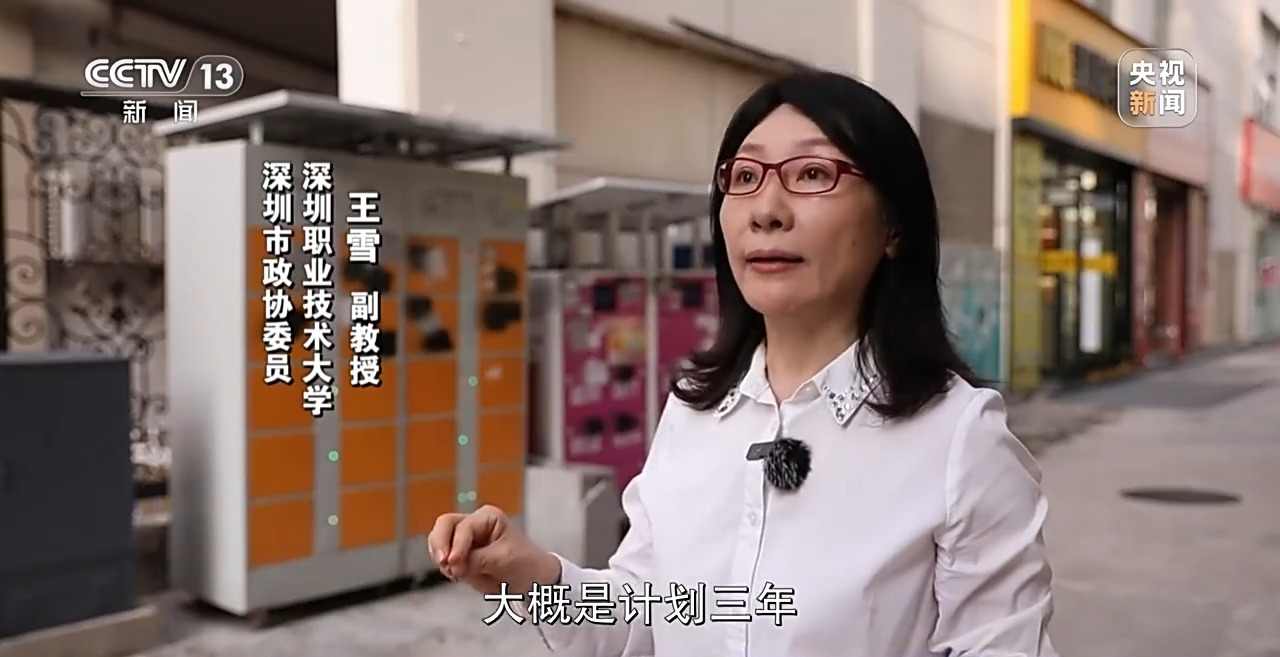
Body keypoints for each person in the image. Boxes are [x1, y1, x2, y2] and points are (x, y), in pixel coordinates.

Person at [429, 71, 1058, 657]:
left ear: (893, 224)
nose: (766, 210)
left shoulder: (958, 438)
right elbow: (643, 618)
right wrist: (530, 576)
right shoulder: (695, 408)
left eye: (812, 174)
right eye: (746, 177)